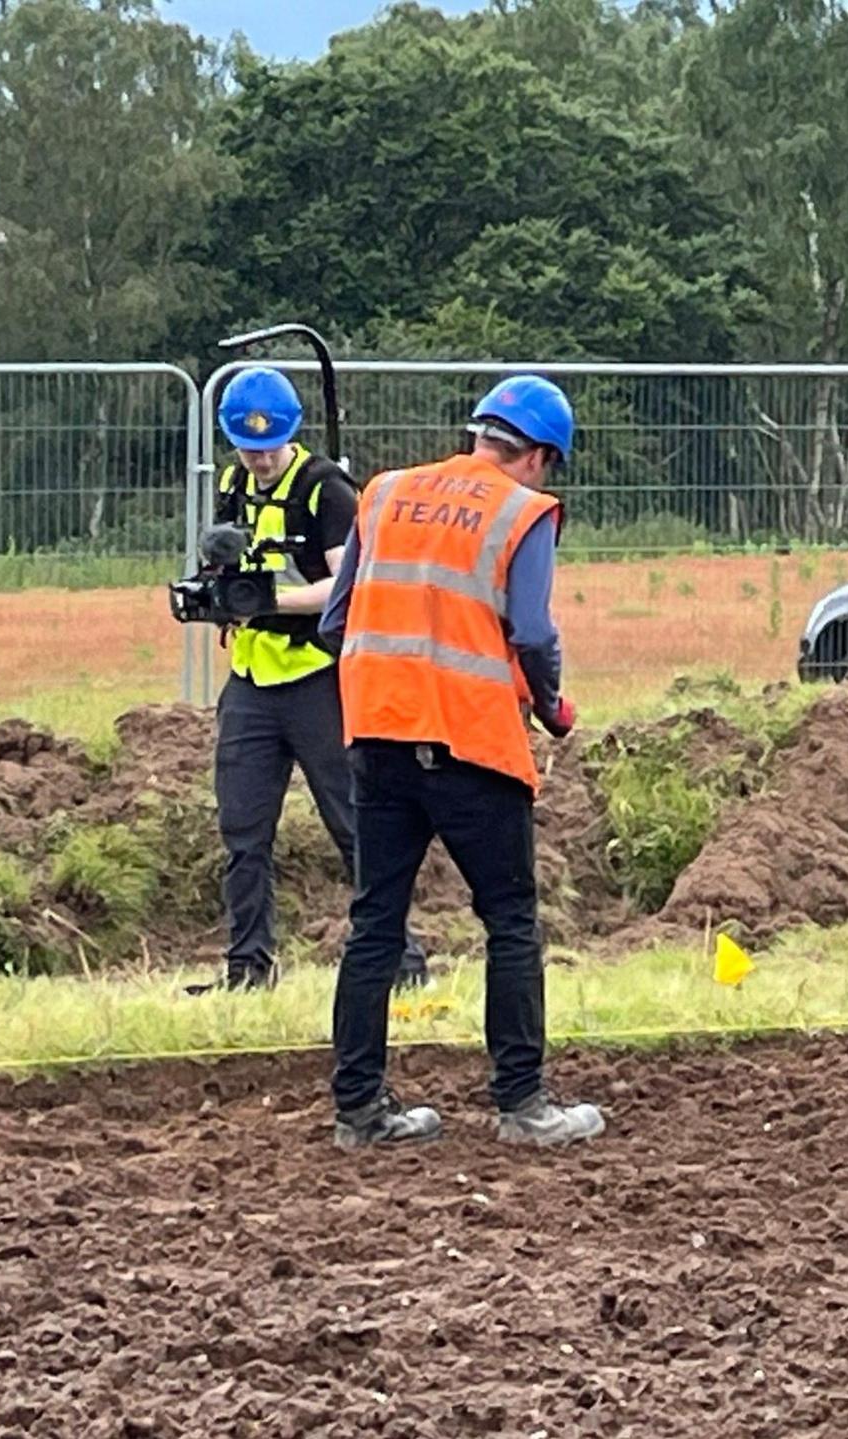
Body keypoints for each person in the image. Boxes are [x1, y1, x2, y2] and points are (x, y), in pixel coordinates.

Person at [316, 375, 603, 1150]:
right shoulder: (523, 511)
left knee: (374, 923)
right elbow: (534, 633)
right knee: (510, 921)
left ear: (481, 433)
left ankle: (359, 1111)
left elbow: (338, 619)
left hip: (376, 737)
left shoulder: (383, 492)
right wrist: (550, 704)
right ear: (539, 455)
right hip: (473, 743)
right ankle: (523, 1105)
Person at [193, 367, 426, 995]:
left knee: (352, 824)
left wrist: (269, 602)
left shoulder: (327, 490)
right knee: (243, 831)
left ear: (292, 435)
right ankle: (247, 971)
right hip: (250, 679)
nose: (259, 458)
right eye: (247, 446)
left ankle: (402, 961)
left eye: (269, 447)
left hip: (317, 681)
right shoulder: (233, 482)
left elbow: (348, 584)